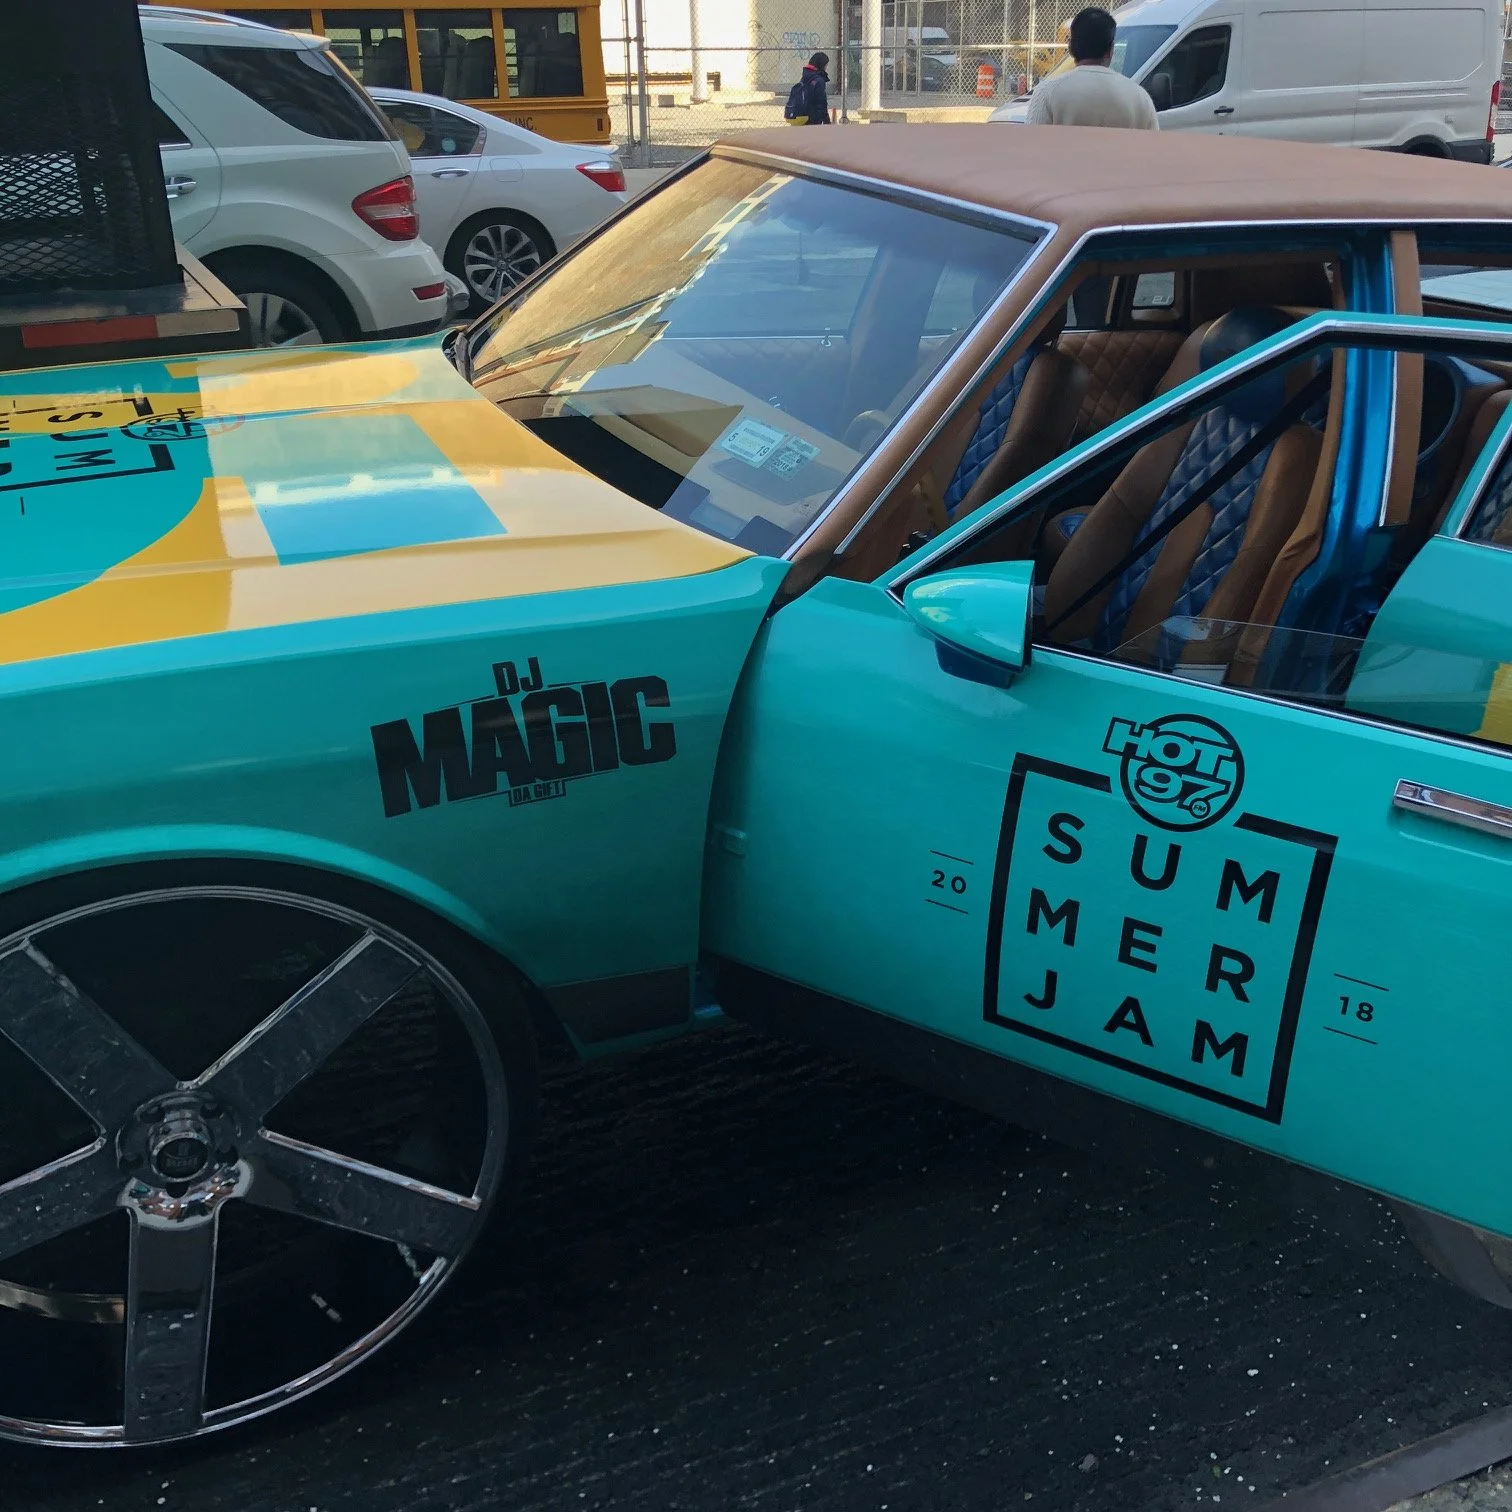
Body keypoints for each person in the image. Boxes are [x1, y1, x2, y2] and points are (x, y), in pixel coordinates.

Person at [1025, 8, 1159, 129]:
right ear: (1111, 50)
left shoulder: (1047, 92)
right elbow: (1153, 149)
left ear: (1071, 47)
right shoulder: (1140, 97)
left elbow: (1031, 146)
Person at [784, 51, 832, 125]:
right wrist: (827, 121)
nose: (826, 68)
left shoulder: (806, 76)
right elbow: (821, 103)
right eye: (826, 65)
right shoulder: (819, 80)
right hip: (812, 118)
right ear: (822, 65)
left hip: (798, 114)